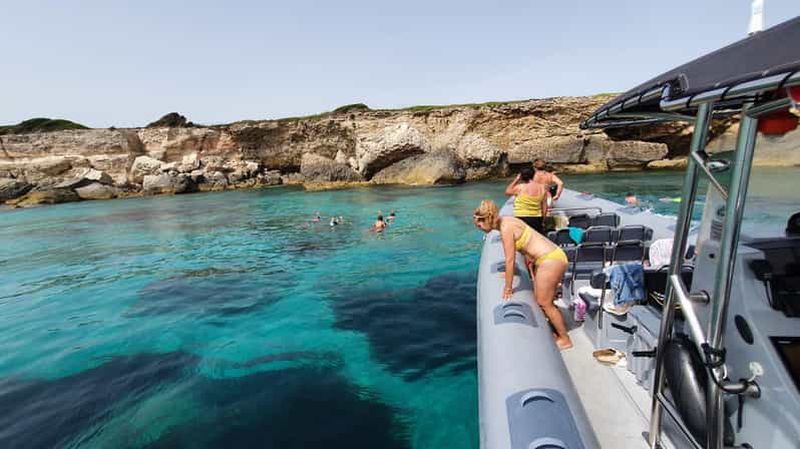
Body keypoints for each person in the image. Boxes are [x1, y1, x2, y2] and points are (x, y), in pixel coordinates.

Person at [473, 199, 573, 350]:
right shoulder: (507, 221)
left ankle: (565, 339)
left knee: (544, 303)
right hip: (551, 257)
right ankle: (555, 331)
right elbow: (526, 249)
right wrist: (512, 273)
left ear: (486, 219)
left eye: (479, 224)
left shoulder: (506, 228)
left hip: (550, 260)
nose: (478, 227)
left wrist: (508, 288)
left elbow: (510, 259)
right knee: (545, 300)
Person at [505, 167, 547, 234]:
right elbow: (544, 206)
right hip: (536, 218)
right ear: (533, 175)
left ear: (521, 176)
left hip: (521, 217)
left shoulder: (520, 187)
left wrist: (516, 179)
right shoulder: (542, 188)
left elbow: (507, 191)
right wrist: (543, 219)